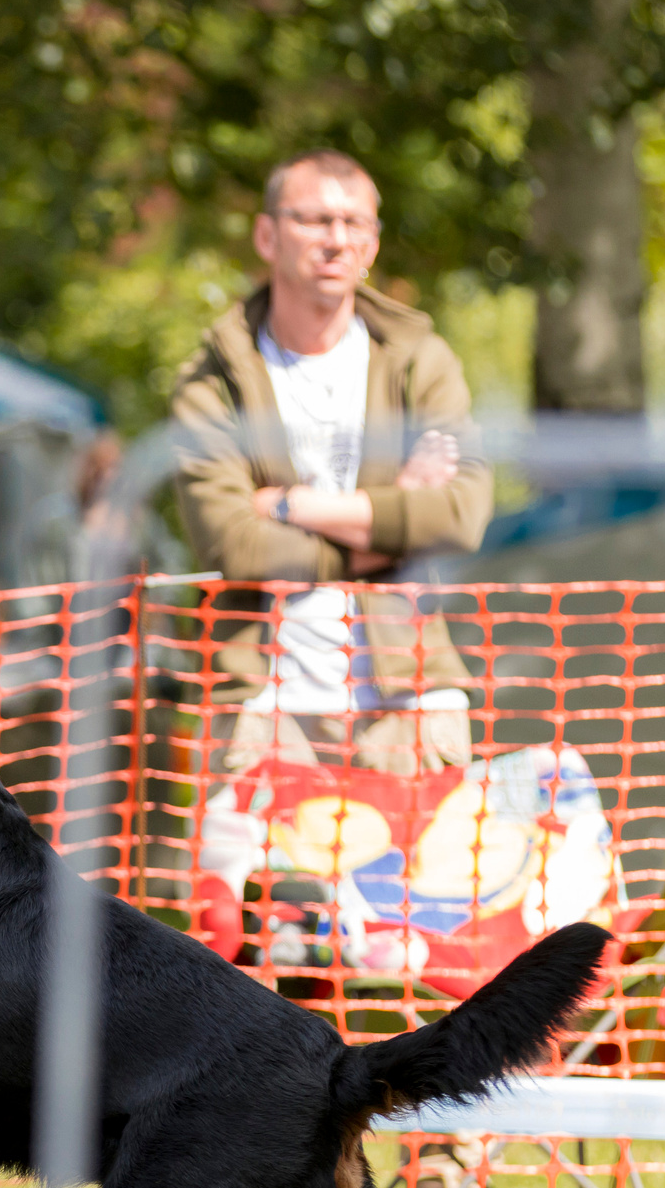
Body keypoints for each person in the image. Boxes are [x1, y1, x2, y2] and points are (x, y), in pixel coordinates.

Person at [170, 149, 491, 778]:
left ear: (373, 244)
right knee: (259, 882)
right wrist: (391, 529)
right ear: (268, 234)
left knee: (424, 877)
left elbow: (461, 514)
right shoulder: (213, 380)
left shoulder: (419, 360)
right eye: (316, 220)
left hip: (412, 702)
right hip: (264, 709)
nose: (337, 241)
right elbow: (232, 541)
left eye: (357, 225)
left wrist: (291, 506)